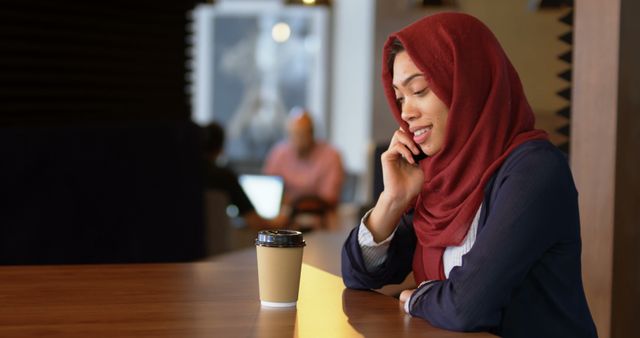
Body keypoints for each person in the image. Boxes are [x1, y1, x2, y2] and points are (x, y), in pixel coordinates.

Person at [341, 13, 597, 337]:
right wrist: (392, 200)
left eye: (419, 90)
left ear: (467, 85)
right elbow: (357, 275)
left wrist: (416, 299)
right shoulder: (440, 177)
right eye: (400, 97)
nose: (406, 113)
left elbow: (467, 307)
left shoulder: (535, 172)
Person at [263, 107, 345, 230]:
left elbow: (329, 198)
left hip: (318, 219)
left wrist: (293, 205)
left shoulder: (330, 155)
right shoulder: (278, 153)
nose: (296, 140)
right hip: (282, 216)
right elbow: (268, 188)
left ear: (311, 133)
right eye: (292, 134)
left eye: (301, 134)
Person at [202, 122, 271, 230]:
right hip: (219, 242)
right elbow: (253, 220)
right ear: (221, 150)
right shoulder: (224, 177)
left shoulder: (181, 175)